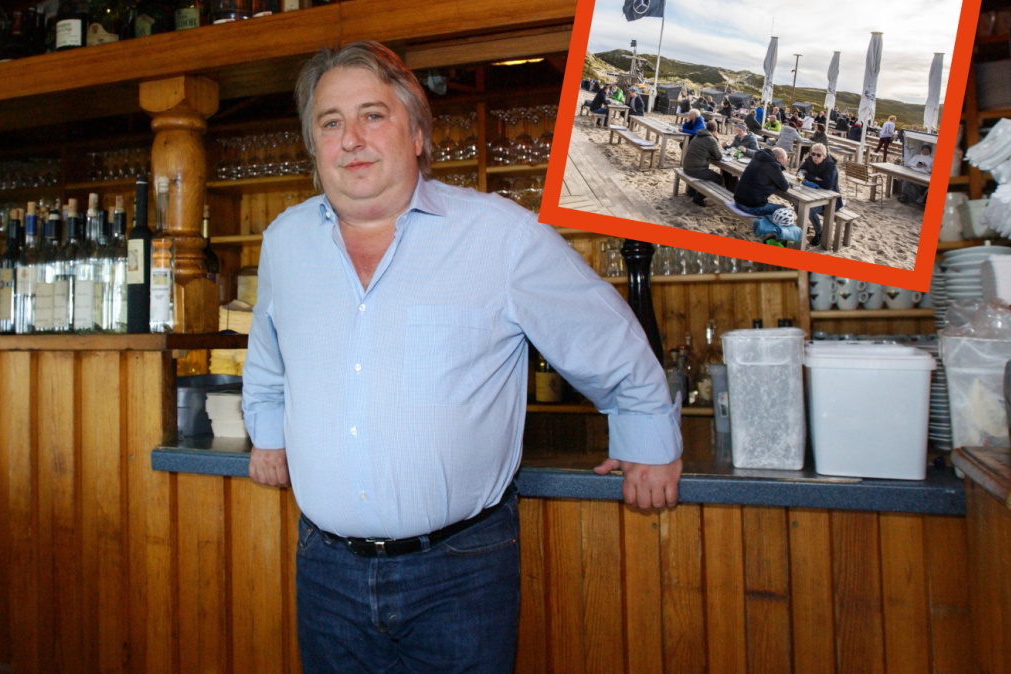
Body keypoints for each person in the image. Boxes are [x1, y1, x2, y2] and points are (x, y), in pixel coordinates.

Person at [243, 41, 682, 674]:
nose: (351, 139)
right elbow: (268, 358)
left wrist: (647, 435)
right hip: (326, 572)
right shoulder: (284, 240)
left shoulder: (498, 234)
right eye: (330, 122)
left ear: (417, 134)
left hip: (460, 572)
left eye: (373, 115)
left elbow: (602, 332)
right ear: (314, 147)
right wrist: (267, 433)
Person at [797, 143, 844, 247]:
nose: (815, 157)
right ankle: (805, 227)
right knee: (797, 205)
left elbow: (827, 185)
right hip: (813, 195)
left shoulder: (831, 166)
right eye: (813, 154)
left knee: (810, 210)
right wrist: (814, 177)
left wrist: (808, 176)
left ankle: (820, 233)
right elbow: (799, 173)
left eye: (818, 155)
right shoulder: (809, 160)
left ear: (824, 156)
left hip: (830, 200)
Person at [733, 147, 790, 217]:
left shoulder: (756, 157)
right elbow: (785, 187)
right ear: (778, 158)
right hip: (750, 207)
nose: (782, 165)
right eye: (782, 162)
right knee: (785, 210)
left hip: (737, 201)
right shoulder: (773, 165)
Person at [681, 120, 723, 206]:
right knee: (719, 179)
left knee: (707, 171)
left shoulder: (698, 135)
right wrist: (717, 139)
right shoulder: (711, 140)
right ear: (715, 131)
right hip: (694, 170)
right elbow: (718, 157)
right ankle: (698, 198)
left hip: (686, 166)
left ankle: (691, 191)